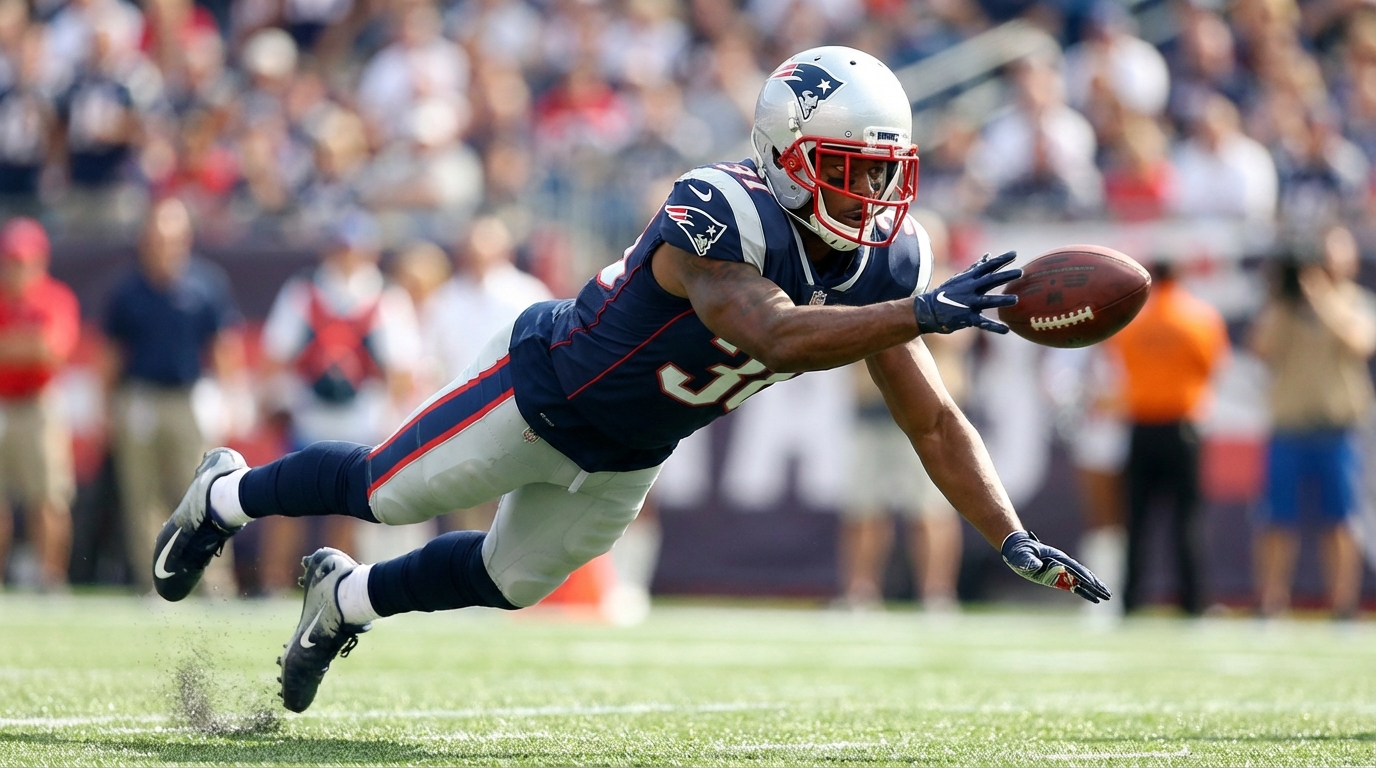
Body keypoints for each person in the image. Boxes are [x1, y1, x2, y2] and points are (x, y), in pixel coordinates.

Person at [150, 46, 1110, 713]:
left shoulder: (884, 267)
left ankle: (344, 603)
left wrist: (1012, 535)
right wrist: (929, 311)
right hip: (542, 391)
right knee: (385, 490)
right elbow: (768, 333)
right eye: (849, 171)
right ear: (785, 155)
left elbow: (934, 419)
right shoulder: (718, 208)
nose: (872, 199)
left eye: (884, 174)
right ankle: (223, 496)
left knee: (509, 579)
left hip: (630, 449)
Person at [103, 197, 243, 596]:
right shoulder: (128, 289)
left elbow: (222, 345)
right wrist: (107, 407)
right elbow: (110, 355)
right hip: (141, 397)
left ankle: (214, 582)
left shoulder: (205, 283)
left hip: (188, 397)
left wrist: (232, 397)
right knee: (141, 494)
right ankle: (154, 582)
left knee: (204, 493)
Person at [1249, 226, 1374, 619]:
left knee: (1340, 519)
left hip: (1337, 428)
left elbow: (1360, 343)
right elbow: (1262, 348)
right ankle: (1271, 603)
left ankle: (1342, 604)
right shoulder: (1286, 306)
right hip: (1288, 426)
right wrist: (1282, 299)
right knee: (1276, 519)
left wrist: (1322, 298)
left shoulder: (1355, 301)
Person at [1106, 260, 1229, 616]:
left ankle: (1129, 601)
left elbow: (1120, 364)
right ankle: (1192, 603)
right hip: (1183, 426)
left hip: (1141, 425)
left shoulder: (1133, 320)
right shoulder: (1200, 317)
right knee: (1187, 519)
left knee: (1136, 520)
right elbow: (1213, 367)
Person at [0, 218, 79, 591]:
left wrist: (15, 347)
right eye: (10, 260)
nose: (16, 269)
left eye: (23, 261)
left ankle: (51, 578)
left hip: (37, 405)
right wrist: (27, 345)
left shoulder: (55, 297)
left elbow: (52, 350)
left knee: (48, 497)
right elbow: (36, 346)